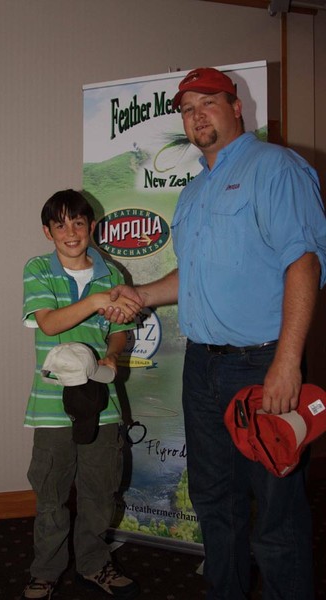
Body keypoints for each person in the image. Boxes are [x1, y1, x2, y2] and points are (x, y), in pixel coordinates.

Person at [102, 68, 326, 599]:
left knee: (275, 510)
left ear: (236, 107)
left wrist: (287, 363)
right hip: (202, 368)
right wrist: (140, 296)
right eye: (187, 108)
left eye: (208, 102)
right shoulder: (195, 191)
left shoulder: (276, 168)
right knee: (212, 500)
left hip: (262, 365)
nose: (197, 115)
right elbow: (193, 275)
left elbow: (304, 262)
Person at [21, 189, 140, 600]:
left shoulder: (113, 274)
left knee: (99, 491)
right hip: (52, 406)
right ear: (47, 232)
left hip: (101, 404)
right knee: (52, 494)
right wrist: (94, 301)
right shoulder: (37, 268)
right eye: (60, 225)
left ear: (92, 227)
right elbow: (50, 324)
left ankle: (94, 565)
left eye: (78, 223)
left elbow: (121, 332)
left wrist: (110, 355)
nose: (70, 232)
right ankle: (45, 571)